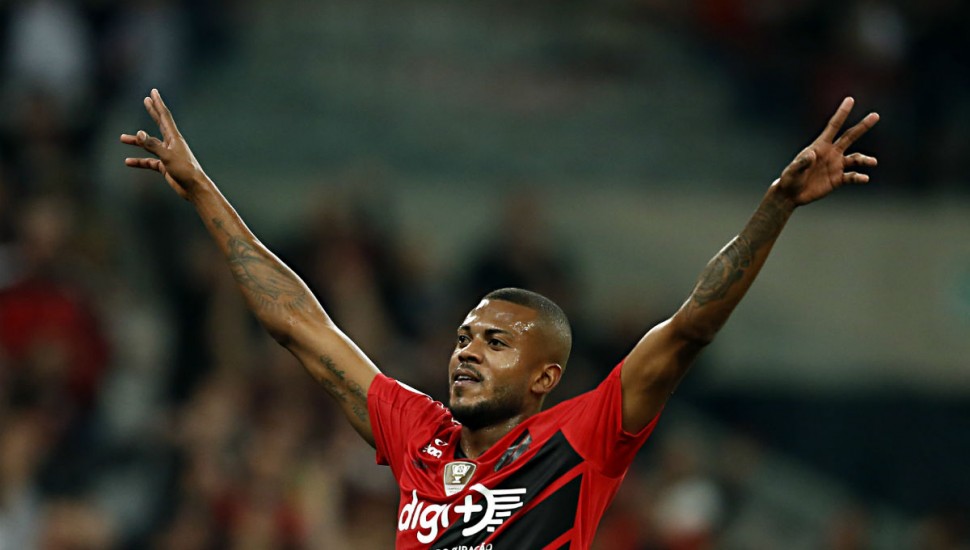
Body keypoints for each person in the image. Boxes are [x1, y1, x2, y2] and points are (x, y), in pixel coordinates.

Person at [121, 89, 879, 549]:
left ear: (546, 376)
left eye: (495, 341)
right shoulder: (415, 435)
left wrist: (777, 205)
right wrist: (203, 193)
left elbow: (688, 329)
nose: (466, 351)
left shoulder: (581, 439)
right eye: (462, 338)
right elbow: (301, 325)